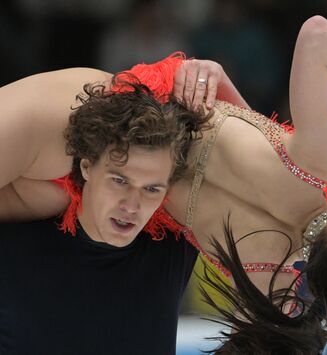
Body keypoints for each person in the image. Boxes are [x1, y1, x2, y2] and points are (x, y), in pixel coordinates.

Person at [0, 16, 327, 354]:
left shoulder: (314, 166)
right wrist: (217, 80)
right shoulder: (268, 287)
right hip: (93, 185)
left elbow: (318, 37)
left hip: (89, 125)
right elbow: (221, 156)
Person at [0, 71, 212, 353]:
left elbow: (281, 181)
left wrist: (216, 80)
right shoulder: (19, 229)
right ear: (86, 167)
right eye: (120, 181)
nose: (132, 206)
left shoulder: (172, 241)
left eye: (151, 189)